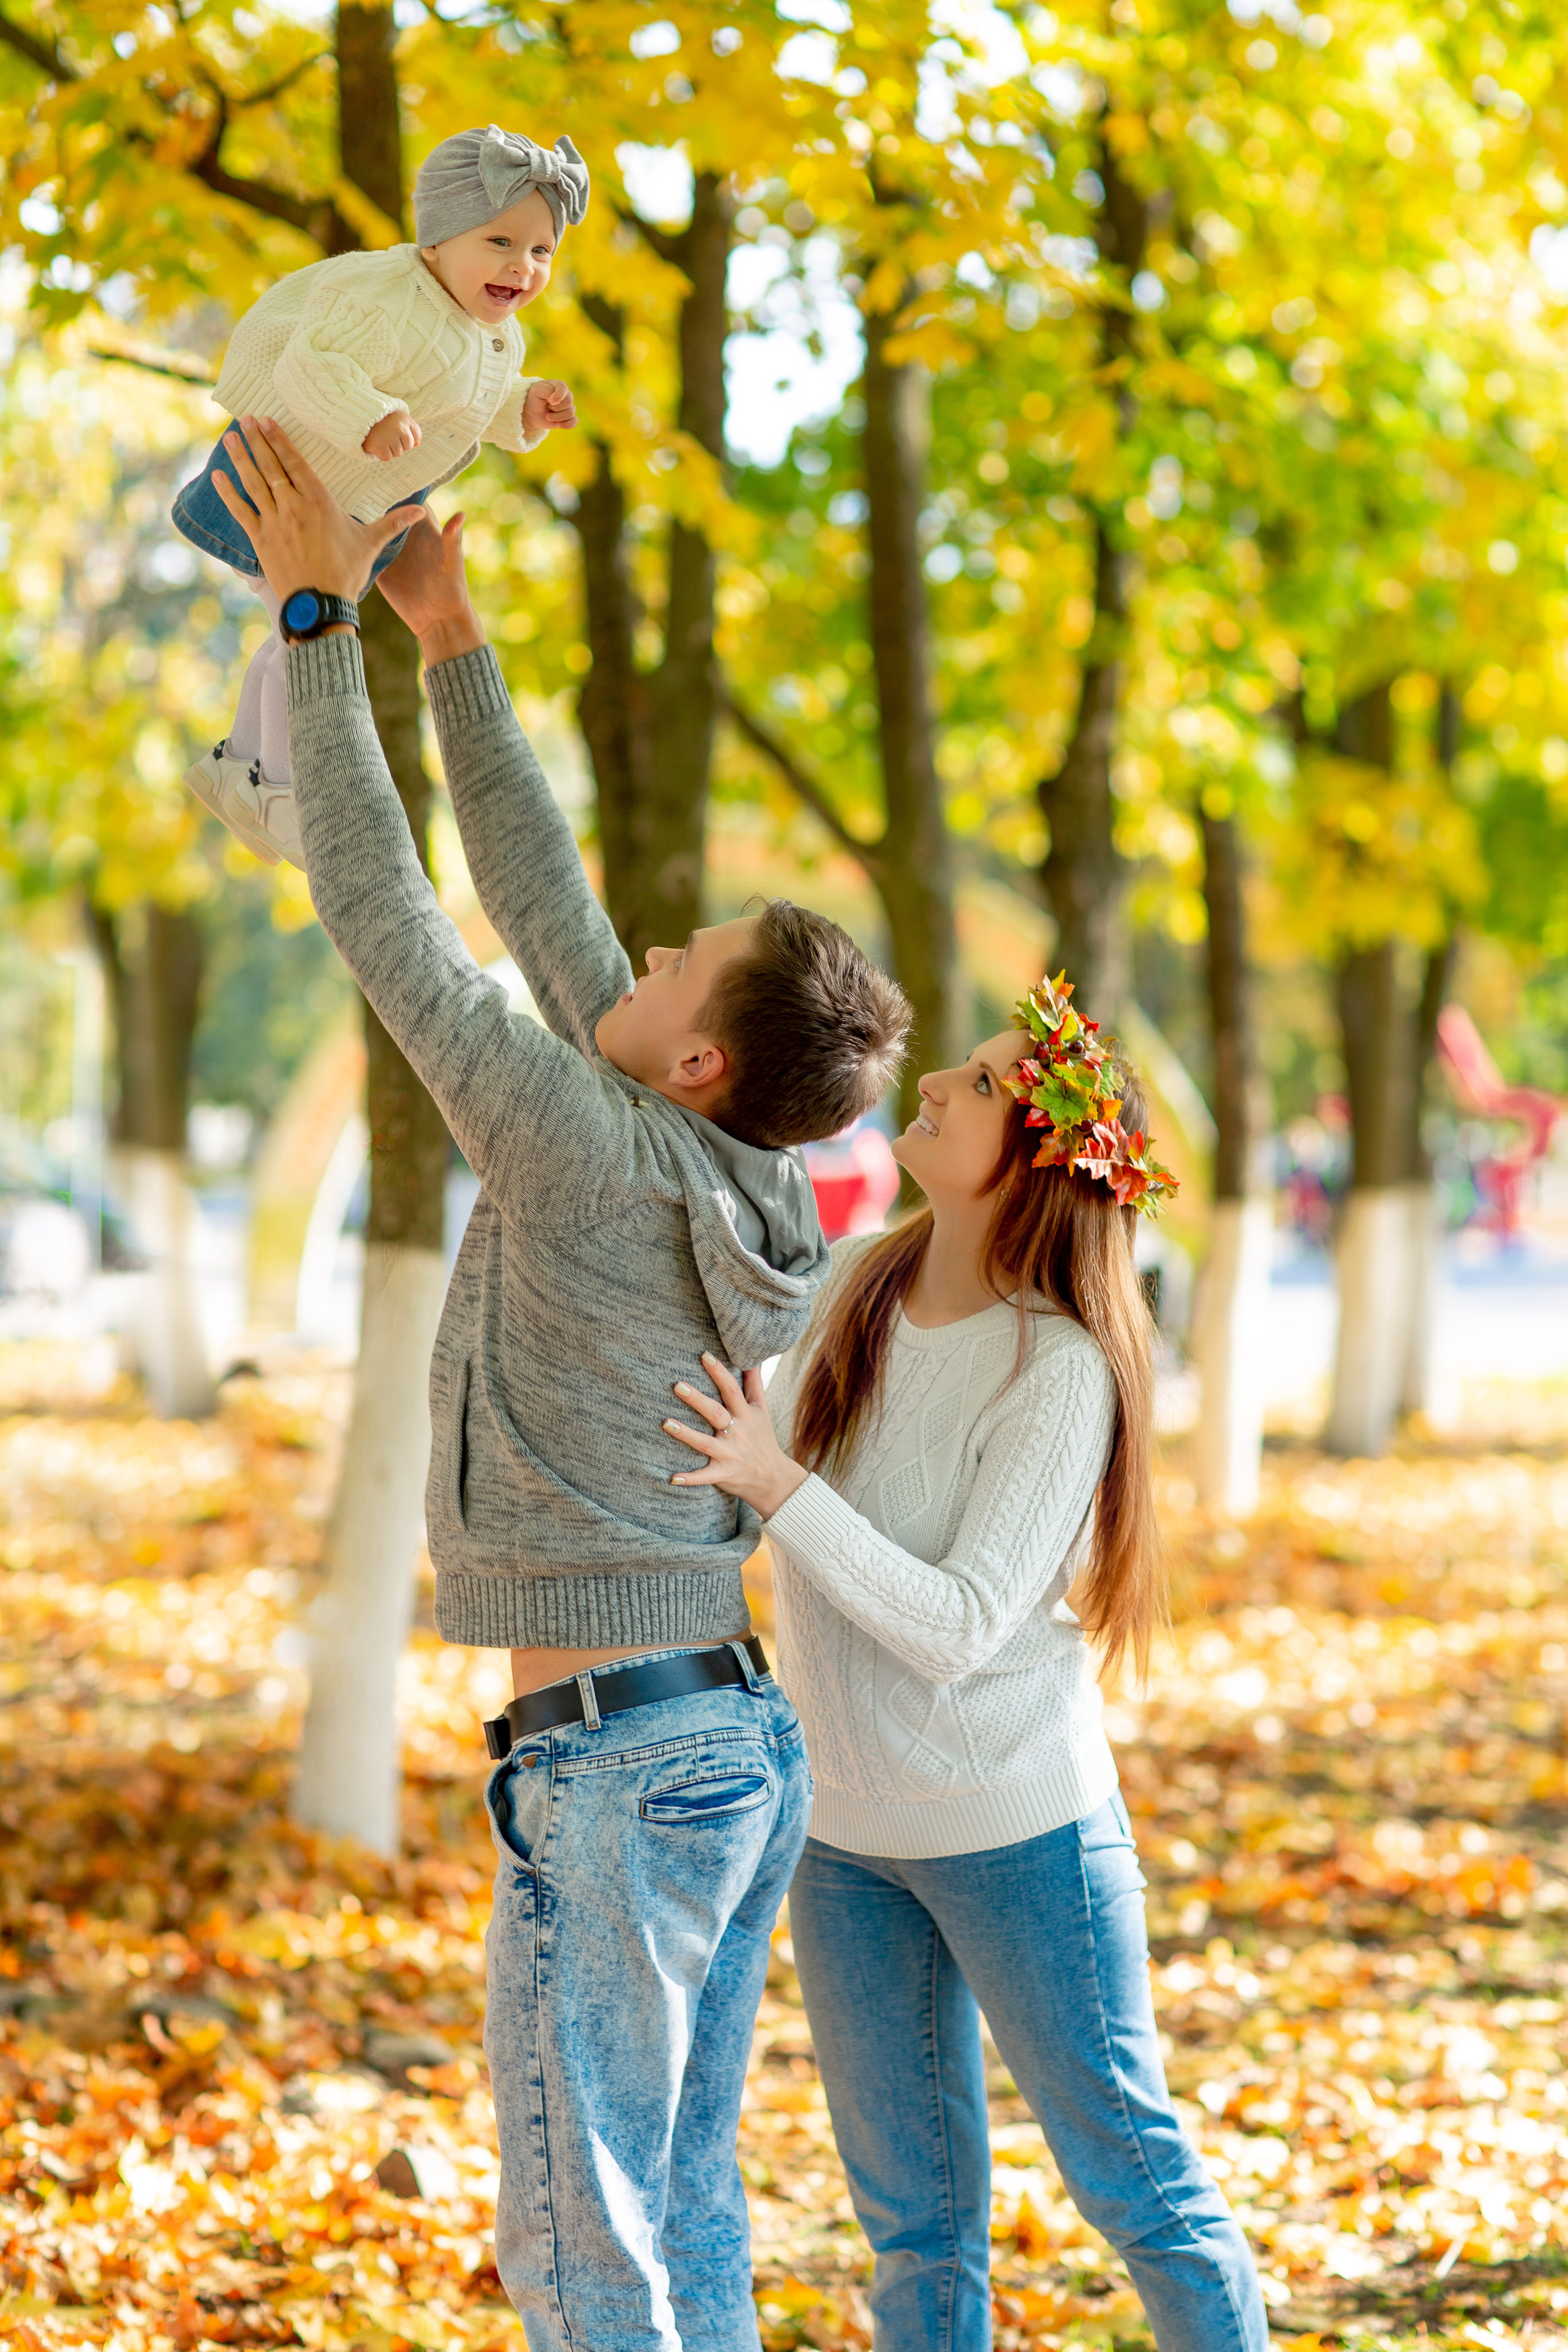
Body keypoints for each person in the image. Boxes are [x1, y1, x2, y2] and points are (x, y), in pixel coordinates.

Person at [208, 413, 911, 2352]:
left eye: (683, 962)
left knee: (584, 2248)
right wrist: (449, 638)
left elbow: (392, 918)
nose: (647, 947)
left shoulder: (588, 1151)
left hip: (615, 1767)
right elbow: (551, 917)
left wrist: (314, 626)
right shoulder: (731, 1164)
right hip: (718, 1739)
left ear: (697, 1060)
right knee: (674, 2208)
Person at [662, 976, 1270, 2352]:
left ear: (1038, 1164)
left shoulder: (1057, 1370)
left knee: (1136, 2190)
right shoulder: (855, 1287)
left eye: (983, 1085)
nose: (935, 1082)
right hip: (842, 1834)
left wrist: (776, 1485)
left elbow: (955, 1626)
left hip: (1021, 1838)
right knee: (913, 2230)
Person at [172, 123, 587, 869]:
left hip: (337, 505)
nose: (522, 267)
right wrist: (372, 417)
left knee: (295, 630)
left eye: (540, 251)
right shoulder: (387, 297)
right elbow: (313, 362)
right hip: (286, 484)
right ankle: (275, 784)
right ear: (439, 239)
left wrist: (525, 407)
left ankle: (246, 771)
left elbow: (470, 396)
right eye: (499, 242)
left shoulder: (489, 332)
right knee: (310, 633)